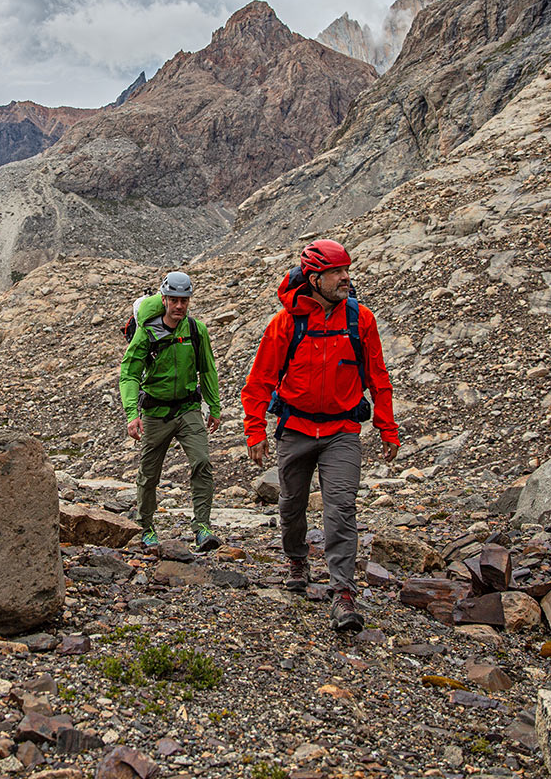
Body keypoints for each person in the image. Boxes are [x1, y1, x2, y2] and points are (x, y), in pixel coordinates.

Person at [241, 240, 399, 633]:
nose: (346, 277)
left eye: (346, 270)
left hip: (342, 431)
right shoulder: (285, 323)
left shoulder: (360, 320)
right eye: (336, 272)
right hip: (294, 428)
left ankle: (342, 592)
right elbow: (259, 382)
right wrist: (254, 431)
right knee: (291, 504)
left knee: (341, 507)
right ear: (314, 278)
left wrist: (387, 427)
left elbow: (378, 378)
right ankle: (297, 559)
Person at [120, 271, 223, 552]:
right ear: (164, 299)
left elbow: (207, 369)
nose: (179, 306)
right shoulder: (147, 332)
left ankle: (202, 527)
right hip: (155, 412)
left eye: (185, 300)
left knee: (201, 462)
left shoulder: (195, 330)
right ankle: (146, 526)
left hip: (189, 408)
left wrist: (214, 406)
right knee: (149, 472)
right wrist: (132, 414)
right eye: (175, 300)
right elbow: (129, 374)